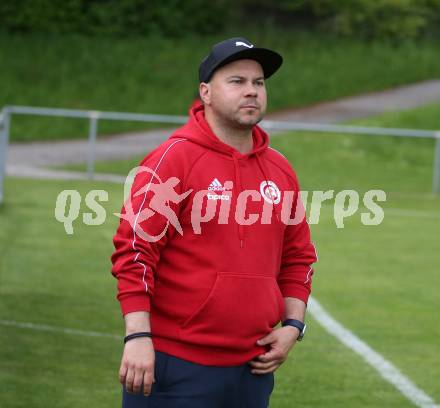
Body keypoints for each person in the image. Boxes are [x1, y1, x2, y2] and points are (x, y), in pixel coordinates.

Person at [111, 37, 318, 408]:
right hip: (176, 365)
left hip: (253, 370)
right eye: (237, 82)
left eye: (259, 83)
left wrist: (293, 326)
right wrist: (137, 336)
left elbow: (298, 256)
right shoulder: (174, 159)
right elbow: (135, 252)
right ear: (205, 92)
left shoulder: (280, 169)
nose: (252, 91)